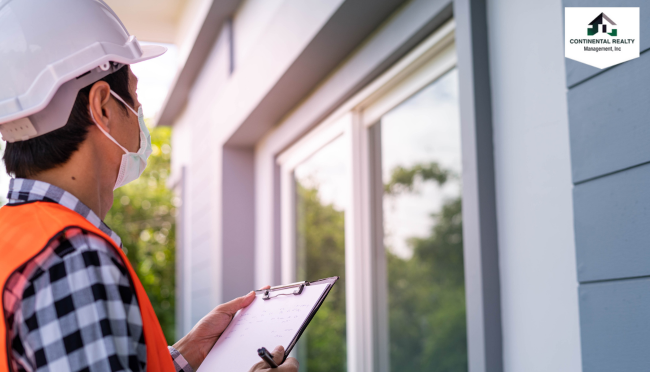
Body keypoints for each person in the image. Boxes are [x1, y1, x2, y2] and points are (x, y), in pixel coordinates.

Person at [0, 1, 298, 371]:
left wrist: (185, 355)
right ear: (104, 107)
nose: (140, 113)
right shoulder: (73, 257)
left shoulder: (15, 239)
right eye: (135, 99)